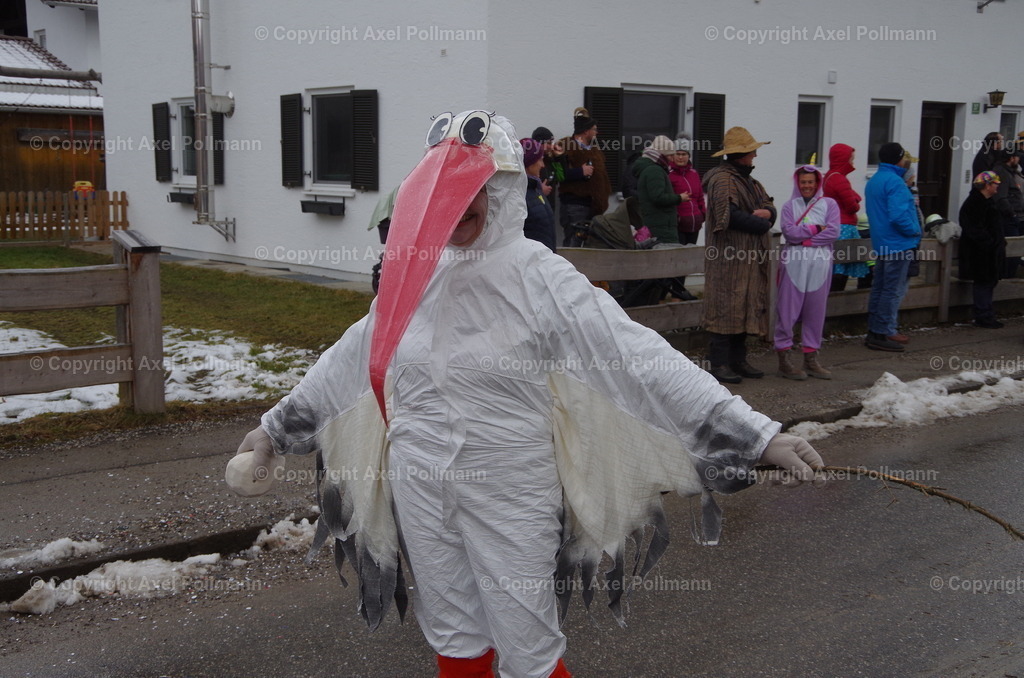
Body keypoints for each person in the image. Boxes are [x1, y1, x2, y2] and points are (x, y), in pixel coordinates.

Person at [228, 111, 825, 678]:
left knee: (526, 646)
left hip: (508, 490)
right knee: (454, 635)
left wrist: (753, 435)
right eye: (449, 191)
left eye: (476, 190)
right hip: (421, 486)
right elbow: (352, 358)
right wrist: (275, 429)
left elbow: (639, 359)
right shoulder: (416, 272)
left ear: (507, 190)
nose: (460, 204)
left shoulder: (539, 277)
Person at [701, 126, 777, 384]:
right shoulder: (723, 180)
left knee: (744, 305)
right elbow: (727, 215)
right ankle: (719, 362)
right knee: (725, 306)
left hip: (748, 260)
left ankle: (738, 359)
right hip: (727, 259)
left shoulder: (750, 182)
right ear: (740, 154)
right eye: (751, 151)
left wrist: (769, 213)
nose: (755, 155)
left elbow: (768, 204)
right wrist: (763, 224)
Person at [775, 166, 841, 380]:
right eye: (803, 182)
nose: (807, 186)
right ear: (798, 183)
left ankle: (810, 359)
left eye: (811, 182)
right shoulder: (788, 207)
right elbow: (789, 232)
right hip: (794, 263)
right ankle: (784, 360)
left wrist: (805, 239)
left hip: (820, 263)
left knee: (816, 310)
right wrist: (815, 229)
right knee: (787, 310)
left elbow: (833, 232)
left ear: (817, 183)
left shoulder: (829, 204)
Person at [864, 142, 921, 352]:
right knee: (891, 290)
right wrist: (914, 230)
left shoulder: (875, 180)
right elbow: (899, 216)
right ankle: (881, 332)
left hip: (882, 242)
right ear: (899, 159)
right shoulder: (895, 182)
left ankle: (874, 331)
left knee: (879, 288)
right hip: (898, 243)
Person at [556, 108, 612, 246]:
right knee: (573, 242)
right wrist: (580, 172)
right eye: (594, 129)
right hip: (575, 205)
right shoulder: (565, 147)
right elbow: (559, 174)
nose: (596, 132)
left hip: (593, 206)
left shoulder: (594, 150)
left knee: (589, 244)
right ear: (586, 131)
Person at [958, 171, 1006, 328]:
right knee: (983, 283)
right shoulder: (974, 203)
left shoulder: (988, 201)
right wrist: (989, 243)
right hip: (980, 253)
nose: (997, 186)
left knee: (988, 283)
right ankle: (983, 316)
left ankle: (987, 314)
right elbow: (973, 228)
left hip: (989, 252)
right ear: (986, 185)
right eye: (995, 183)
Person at [823, 144, 868, 292]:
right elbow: (852, 207)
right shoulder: (840, 179)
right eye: (851, 159)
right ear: (843, 159)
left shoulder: (829, 176)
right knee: (841, 269)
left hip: (835, 225)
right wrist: (856, 200)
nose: (852, 163)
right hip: (845, 227)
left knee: (836, 267)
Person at [632, 135, 684, 244]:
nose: (672, 159)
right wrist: (679, 198)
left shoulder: (651, 168)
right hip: (661, 226)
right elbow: (658, 197)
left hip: (658, 224)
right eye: (670, 155)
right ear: (662, 155)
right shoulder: (654, 170)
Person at [669, 135, 706, 245]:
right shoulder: (669, 175)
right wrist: (676, 219)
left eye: (684, 154)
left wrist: (702, 214)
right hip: (679, 226)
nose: (680, 157)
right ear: (673, 155)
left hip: (695, 224)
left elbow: (700, 197)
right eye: (678, 154)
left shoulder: (694, 174)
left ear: (688, 156)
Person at [992, 148, 1024, 278]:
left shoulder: (1009, 171)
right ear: (1011, 158)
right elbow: (1001, 198)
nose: (1019, 159)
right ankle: (1005, 279)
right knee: (1012, 250)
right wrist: (1013, 215)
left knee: (1016, 249)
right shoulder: (1002, 173)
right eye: (1017, 157)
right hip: (1009, 219)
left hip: (1015, 216)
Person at [521, 137, 556, 252]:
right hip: (533, 264)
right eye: (540, 160)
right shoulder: (520, 194)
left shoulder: (534, 188)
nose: (543, 165)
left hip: (544, 261)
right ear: (529, 162)